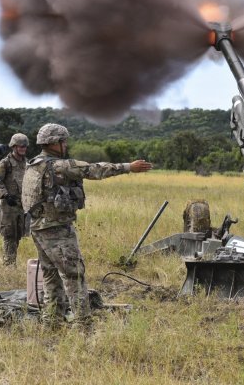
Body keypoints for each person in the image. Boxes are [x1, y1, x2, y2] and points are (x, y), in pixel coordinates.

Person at [21, 123, 152, 326]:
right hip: (57, 229)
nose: (66, 144)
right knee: (75, 274)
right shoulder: (59, 166)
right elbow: (94, 170)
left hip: (38, 227)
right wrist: (128, 167)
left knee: (50, 274)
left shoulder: (33, 164)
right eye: (64, 141)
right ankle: (83, 323)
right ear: (55, 143)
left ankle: (52, 321)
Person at [0, 133, 30, 265]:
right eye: (21, 146)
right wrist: (5, 195)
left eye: (25, 146)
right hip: (9, 205)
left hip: (22, 204)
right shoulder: (5, 163)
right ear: (14, 147)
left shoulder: (27, 162)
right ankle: (9, 264)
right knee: (9, 234)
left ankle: (11, 261)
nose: (23, 148)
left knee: (19, 234)